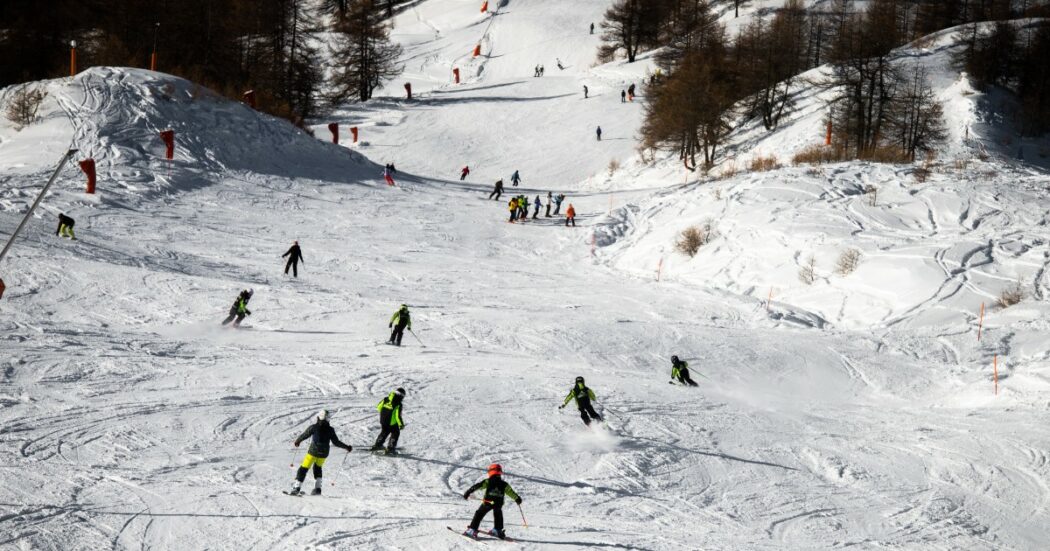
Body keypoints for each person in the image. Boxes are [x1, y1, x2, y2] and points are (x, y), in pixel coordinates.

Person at [289, 409, 352, 495]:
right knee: (318, 468)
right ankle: (318, 489)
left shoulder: (313, 427)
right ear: (327, 419)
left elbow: (305, 434)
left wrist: (298, 441)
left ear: (318, 417)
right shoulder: (330, 429)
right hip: (324, 454)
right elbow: (336, 442)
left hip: (312, 452)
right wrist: (347, 447)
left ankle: (296, 487)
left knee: (303, 469)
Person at [461, 463, 522, 540]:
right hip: (498, 503)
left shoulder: (488, 481)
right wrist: (517, 498)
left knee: (479, 514)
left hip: (488, 502)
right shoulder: (504, 484)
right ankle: (497, 530)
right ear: (500, 472)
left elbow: (478, 486)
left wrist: (469, 492)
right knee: (498, 515)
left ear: (491, 471)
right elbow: (511, 492)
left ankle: (472, 530)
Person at [371, 388, 406, 454]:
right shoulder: (398, 404)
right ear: (401, 396)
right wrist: (401, 424)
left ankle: (378, 445)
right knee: (395, 433)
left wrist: (386, 411)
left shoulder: (386, 399)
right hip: (391, 423)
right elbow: (397, 416)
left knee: (384, 431)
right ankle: (390, 448)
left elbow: (378, 407)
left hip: (383, 420)